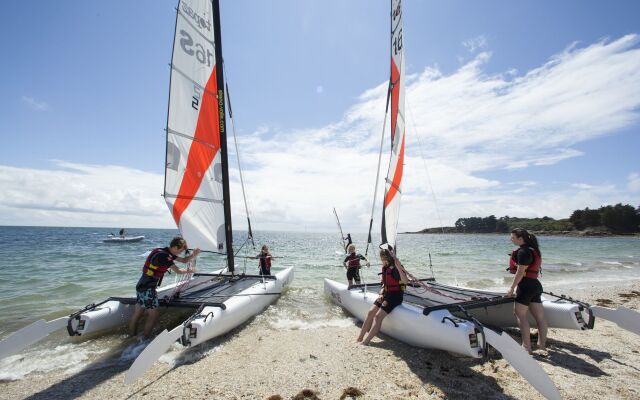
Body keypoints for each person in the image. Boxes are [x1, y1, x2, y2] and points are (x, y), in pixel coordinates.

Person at [128, 237, 200, 338]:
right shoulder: (165, 256)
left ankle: (131, 336)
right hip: (148, 288)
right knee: (153, 315)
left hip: (141, 286)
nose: (180, 254)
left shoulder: (164, 251)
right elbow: (178, 271)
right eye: (180, 251)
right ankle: (145, 340)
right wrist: (190, 271)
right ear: (175, 247)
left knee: (138, 313)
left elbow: (183, 260)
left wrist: (194, 254)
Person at [506, 228, 548, 354]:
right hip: (535, 285)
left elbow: (520, 272)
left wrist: (512, 288)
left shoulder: (523, 252)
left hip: (525, 287)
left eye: (513, 237)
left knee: (520, 315)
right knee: (540, 317)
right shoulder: (533, 250)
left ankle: (526, 347)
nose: (511, 239)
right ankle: (542, 345)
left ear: (520, 239)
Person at [357, 246, 408, 345]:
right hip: (385, 294)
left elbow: (405, 281)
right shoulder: (385, 267)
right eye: (382, 258)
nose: (382, 260)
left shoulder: (396, 268)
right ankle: (360, 337)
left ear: (388, 257)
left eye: (384, 258)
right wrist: (381, 291)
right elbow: (384, 283)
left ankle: (366, 342)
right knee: (371, 312)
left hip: (395, 296)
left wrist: (398, 266)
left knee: (377, 317)